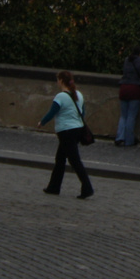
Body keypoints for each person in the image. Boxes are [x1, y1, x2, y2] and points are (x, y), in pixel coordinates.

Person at [39, 70, 93, 199]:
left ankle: (87, 187)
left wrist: (42, 122)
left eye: (58, 79)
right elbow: (83, 112)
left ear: (61, 81)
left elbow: (52, 112)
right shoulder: (79, 94)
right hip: (77, 129)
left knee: (74, 160)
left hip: (66, 131)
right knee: (60, 159)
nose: (57, 82)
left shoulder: (61, 96)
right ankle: (54, 186)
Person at [115, 47, 140, 147]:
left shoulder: (126, 60)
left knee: (123, 115)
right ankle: (129, 140)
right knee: (131, 116)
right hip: (135, 89)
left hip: (123, 88)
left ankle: (119, 137)